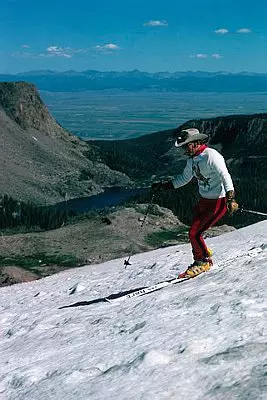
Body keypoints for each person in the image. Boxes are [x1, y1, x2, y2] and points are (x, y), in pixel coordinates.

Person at [151, 128, 239, 278]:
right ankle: (203, 253)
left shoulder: (211, 156)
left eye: (186, 145)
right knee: (195, 231)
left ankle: (203, 261)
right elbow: (184, 178)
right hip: (205, 201)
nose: (185, 149)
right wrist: (164, 186)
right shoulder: (192, 160)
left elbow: (225, 176)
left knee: (194, 233)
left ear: (195, 143)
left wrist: (230, 198)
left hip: (218, 201)